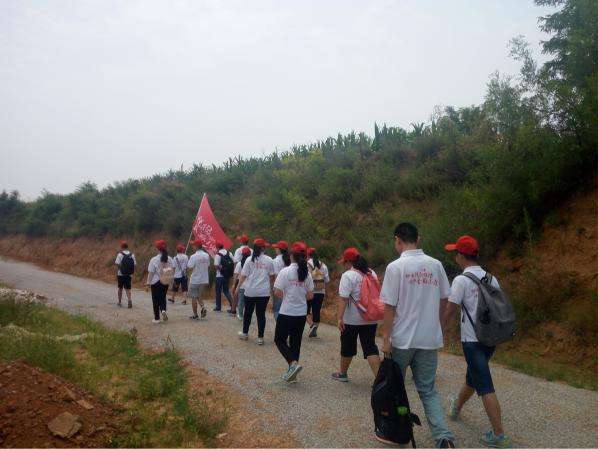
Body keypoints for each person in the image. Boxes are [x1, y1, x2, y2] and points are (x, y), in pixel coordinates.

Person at [379, 223, 455, 448]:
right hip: (429, 339)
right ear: (418, 239)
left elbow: (390, 307)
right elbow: (444, 298)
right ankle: (443, 438)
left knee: (397, 390)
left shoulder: (396, 267)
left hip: (402, 340)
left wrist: (385, 339)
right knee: (428, 390)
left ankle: (399, 431)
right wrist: (438, 324)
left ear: (398, 240)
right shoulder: (436, 265)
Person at [442, 235, 511, 448]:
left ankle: (499, 435)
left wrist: (440, 329)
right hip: (490, 339)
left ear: (462, 256)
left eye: (456, 253)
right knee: (474, 377)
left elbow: (451, 309)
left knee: (485, 385)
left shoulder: (461, 280)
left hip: (472, 340)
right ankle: (457, 406)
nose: (455, 257)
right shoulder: (491, 278)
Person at [331, 247, 381, 382]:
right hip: (370, 317)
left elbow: (343, 298)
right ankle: (380, 379)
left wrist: (340, 318)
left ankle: (343, 374)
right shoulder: (372, 273)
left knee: (347, 345)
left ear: (348, 262)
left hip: (351, 320)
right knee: (370, 346)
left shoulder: (348, 275)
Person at [273, 242, 314, 383]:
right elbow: (310, 296)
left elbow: (277, 292)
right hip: (301, 313)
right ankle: (293, 375)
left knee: (279, 339)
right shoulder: (307, 273)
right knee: (295, 342)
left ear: (291, 256)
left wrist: (288, 296)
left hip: (287, 312)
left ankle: (292, 364)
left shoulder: (285, 272)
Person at [237, 238, 274, 345]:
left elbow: (243, 276)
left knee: (248, 313)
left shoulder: (249, 259)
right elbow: (272, 277)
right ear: (263, 248)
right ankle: (260, 338)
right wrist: (270, 289)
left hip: (250, 291)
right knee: (261, 315)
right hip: (263, 292)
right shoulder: (269, 260)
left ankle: (245, 333)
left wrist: (237, 288)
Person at [146, 240, 174, 323]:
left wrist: (148, 283)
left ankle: (157, 318)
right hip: (165, 281)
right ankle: (163, 310)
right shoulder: (170, 259)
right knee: (162, 297)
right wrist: (171, 283)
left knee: (155, 300)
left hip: (155, 282)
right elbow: (171, 272)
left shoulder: (154, 259)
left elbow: (151, 273)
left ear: (157, 248)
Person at [307, 247, 330, 338]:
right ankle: (315, 329)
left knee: (306, 310)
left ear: (308, 255)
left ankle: (312, 325)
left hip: (310, 291)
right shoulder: (323, 265)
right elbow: (327, 280)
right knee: (316, 311)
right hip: (321, 292)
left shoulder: (306, 264)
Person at [187, 239, 210, 320]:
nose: (192, 246)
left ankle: (195, 315)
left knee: (193, 297)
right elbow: (208, 265)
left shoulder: (193, 256)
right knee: (198, 295)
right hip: (204, 279)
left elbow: (189, 266)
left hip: (195, 279)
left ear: (196, 246)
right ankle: (203, 307)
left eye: (193, 245)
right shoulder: (207, 255)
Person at [271, 240, 291, 320]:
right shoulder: (289, 259)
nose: (275, 249)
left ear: (279, 249)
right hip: (290, 286)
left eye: (276, 248)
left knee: (277, 308)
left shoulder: (276, 260)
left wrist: (274, 288)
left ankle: (279, 327)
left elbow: (276, 276)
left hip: (279, 287)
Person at [214, 242, 234, 313]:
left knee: (218, 291)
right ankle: (232, 306)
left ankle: (218, 307)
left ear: (217, 248)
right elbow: (232, 263)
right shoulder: (229, 253)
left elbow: (216, 266)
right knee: (226, 291)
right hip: (227, 276)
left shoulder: (218, 255)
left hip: (219, 276)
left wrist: (221, 269)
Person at [114, 240, 136, 308]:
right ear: (127, 247)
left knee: (120, 288)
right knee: (128, 289)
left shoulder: (120, 254)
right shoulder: (132, 255)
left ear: (122, 247)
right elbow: (134, 264)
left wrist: (121, 269)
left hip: (121, 274)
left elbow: (117, 263)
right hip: (129, 274)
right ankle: (129, 300)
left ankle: (119, 302)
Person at [232, 246, 251, 321]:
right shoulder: (251, 262)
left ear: (242, 254)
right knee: (248, 303)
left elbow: (236, 275)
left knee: (240, 301)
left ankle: (240, 315)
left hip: (241, 285)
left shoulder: (239, 264)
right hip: (249, 285)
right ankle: (247, 315)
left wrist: (234, 284)